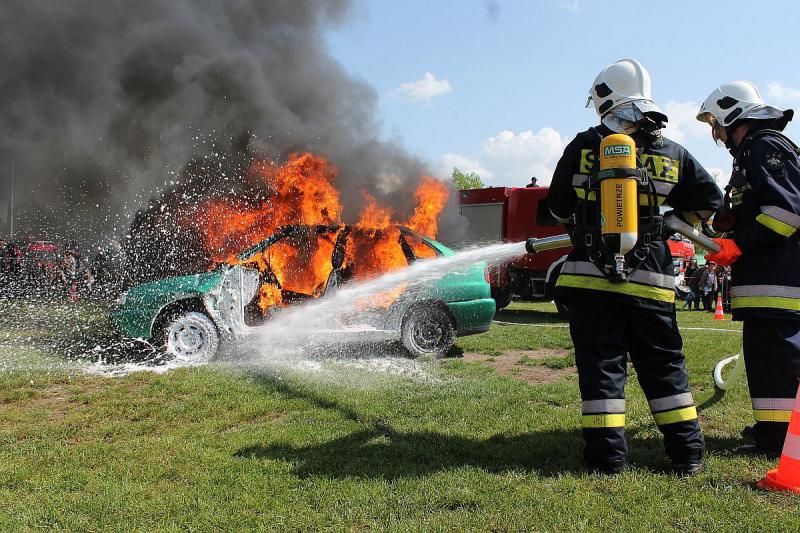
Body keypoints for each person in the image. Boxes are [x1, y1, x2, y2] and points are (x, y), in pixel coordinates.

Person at [547, 58, 723, 475]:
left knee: (602, 370)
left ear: (604, 100)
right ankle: (687, 454)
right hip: (653, 282)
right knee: (665, 368)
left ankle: (607, 460)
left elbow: (557, 207)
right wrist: (670, 224)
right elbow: (709, 201)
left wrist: (584, 223)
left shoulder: (584, 144)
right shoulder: (673, 153)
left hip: (590, 281)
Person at [697, 80, 800, 456]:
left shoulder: (764, 146)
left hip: (778, 279)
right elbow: (764, 207)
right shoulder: (752, 153)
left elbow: (787, 212)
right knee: (768, 359)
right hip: (770, 281)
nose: (716, 133)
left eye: (716, 123)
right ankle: (772, 432)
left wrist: (739, 244)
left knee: (775, 360)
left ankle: (776, 442)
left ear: (732, 112)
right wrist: (730, 222)